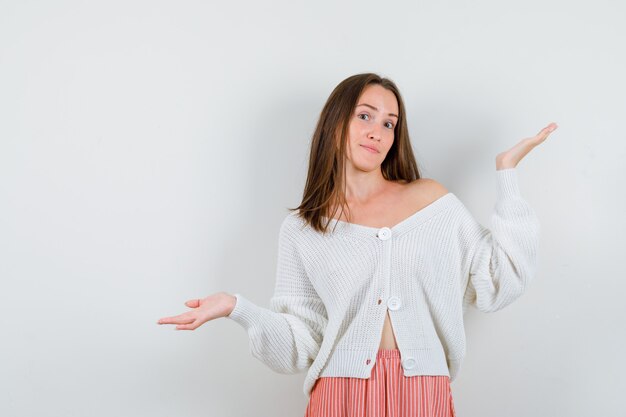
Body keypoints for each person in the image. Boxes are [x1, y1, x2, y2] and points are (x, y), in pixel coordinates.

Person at [157, 73, 557, 416]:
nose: (376, 132)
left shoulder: (431, 202)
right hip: (338, 396)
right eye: (365, 116)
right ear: (335, 125)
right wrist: (237, 308)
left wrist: (506, 174)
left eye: (389, 123)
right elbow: (300, 342)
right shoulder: (303, 229)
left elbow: (498, 279)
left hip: (423, 394)